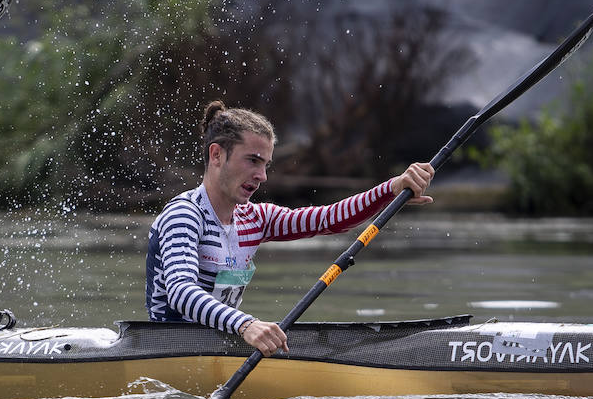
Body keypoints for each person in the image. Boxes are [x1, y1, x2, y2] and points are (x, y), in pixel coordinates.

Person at [146, 101, 434, 356]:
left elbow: (330, 219)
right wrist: (245, 324)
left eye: (266, 164)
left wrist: (392, 188)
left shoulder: (254, 219)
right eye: (253, 161)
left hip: (221, 345)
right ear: (217, 155)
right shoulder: (184, 215)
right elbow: (180, 292)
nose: (262, 176)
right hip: (171, 350)